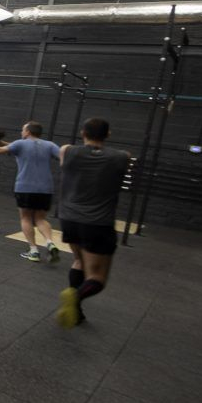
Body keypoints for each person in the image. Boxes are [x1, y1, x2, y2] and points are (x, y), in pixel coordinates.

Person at [55, 118, 130, 328]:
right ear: (108, 134)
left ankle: (76, 312)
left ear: (83, 133)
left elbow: (67, 165)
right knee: (97, 278)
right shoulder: (122, 157)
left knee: (79, 261)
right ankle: (75, 298)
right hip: (98, 223)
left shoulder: (67, 150)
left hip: (69, 219)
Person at [0, 120, 62, 262]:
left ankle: (33, 251)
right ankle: (49, 242)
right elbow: (63, 157)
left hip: (25, 187)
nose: (21, 132)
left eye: (23, 129)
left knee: (26, 218)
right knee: (40, 219)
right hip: (45, 188)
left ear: (28, 132)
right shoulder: (50, 145)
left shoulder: (20, 143)